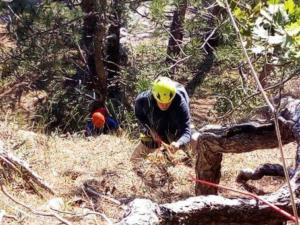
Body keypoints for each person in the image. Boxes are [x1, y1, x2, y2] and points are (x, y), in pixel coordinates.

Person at [131, 76, 192, 164]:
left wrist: (178, 143)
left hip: (174, 132)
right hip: (154, 129)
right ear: (154, 97)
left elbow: (186, 130)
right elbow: (140, 117)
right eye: (161, 102)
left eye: (168, 102)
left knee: (194, 140)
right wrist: (150, 130)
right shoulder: (142, 101)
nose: (164, 105)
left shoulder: (180, 102)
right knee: (133, 160)